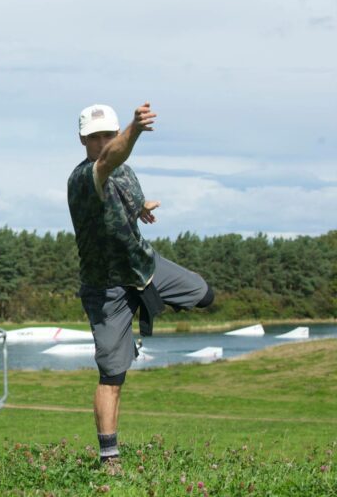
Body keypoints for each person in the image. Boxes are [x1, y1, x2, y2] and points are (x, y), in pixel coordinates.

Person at [66, 102, 214, 472]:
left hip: (144, 267)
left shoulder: (126, 172)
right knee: (112, 376)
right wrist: (134, 128)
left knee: (204, 294)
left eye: (108, 134)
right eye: (94, 137)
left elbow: (120, 196)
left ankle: (149, 307)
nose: (102, 142)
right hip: (108, 290)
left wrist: (140, 207)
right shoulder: (85, 176)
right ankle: (109, 459)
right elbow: (108, 161)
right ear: (82, 140)